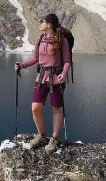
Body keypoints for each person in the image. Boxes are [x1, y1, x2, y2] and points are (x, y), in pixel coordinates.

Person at [14, 13, 70, 153]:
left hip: (55, 78)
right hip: (41, 78)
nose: (39, 23)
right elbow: (35, 59)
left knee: (56, 109)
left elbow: (67, 61)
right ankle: (41, 135)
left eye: (42, 21)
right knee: (35, 108)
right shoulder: (40, 40)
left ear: (49, 24)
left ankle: (54, 138)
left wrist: (63, 74)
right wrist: (22, 65)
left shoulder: (61, 41)